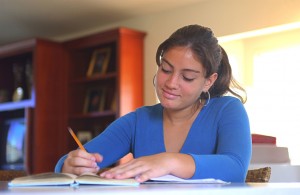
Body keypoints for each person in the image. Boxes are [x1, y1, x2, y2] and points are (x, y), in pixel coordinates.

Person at [55, 24, 251, 183]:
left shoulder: (227, 110)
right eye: (166, 69)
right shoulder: (138, 121)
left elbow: (235, 168)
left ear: (209, 81)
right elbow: (83, 158)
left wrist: (169, 161)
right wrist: (70, 165)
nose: (171, 83)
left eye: (188, 77)